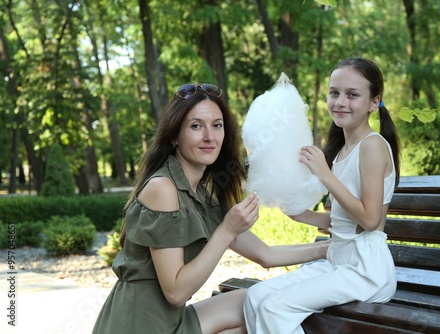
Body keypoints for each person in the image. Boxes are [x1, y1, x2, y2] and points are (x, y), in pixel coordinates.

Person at [92, 83, 330, 334]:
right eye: (196, 126)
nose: (209, 136)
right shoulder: (163, 189)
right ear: (174, 136)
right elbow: (176, 292)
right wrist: (226, 230)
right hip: (140, 324)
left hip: (171, 319)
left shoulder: (199, 194)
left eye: (217, 125)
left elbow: (266, 255)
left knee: (257, 303)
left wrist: (334, 248)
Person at [243, 57, 401, 334]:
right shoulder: (342, 150)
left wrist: (325, 174)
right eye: (334, 92)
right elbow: (341, 222)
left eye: (352, 95)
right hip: (337, 261)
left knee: (274, 306)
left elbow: (371, 220)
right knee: (255, 297)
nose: (340, 102)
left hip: (366, 270)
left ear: (374, 103)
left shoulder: (372, 146)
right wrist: (301, 214)